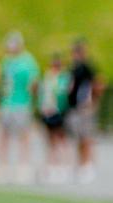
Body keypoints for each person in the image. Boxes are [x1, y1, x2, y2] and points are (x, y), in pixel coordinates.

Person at [0, 32, 40, 183]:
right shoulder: (7, 61)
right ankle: (3, 166)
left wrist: (34, 100)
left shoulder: (28, 61)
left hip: (22, 103)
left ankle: (24, 166)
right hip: (7, 104)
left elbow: (34, 83)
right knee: (4, 135)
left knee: (23, 135)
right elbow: (2, 82)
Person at [66, 39, 103, 183]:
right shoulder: (73, 68)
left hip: (84, 106)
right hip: (74, 106)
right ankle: (80, 164)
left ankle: (88, 164)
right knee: (78, 137)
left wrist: (93, 102)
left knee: (86, 137)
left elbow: (98, 83)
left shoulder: (87, 68)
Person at [38, 53, 72, 183]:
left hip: (59, 112)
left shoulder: (64, 78)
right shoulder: (47, 77)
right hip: (47, 112)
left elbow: (63, 95)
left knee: (62, 139)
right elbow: (43, 95)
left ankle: (64, 166)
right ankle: (52, 165)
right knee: (50, 140)